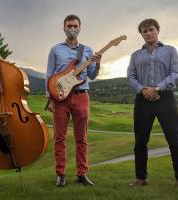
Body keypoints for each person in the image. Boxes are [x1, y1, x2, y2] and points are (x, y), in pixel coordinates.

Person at [127, 18, 178, 190]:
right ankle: (141, 178)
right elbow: (131, 77)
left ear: (157, 30)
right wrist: (143, 90)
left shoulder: (170, 51)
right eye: (144, 31)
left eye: (151, 30)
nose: (148, 33)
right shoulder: (135, 56)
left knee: (175, 139)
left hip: (166, 98)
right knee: (140, 141)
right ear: (141, 34)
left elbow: (176, 73)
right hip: (142, 100)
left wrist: (158, 88)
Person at [46, 14, 102, 187]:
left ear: (80, 28)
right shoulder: (55, 49)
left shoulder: (87, 50)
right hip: (60, 98)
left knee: (82, 138)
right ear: (64, 28)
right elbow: (50, 75)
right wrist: (50, 98)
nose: (72, 28)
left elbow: (91, 75)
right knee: (59, 138)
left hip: (81, 95)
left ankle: (82, 173)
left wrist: (98, 64)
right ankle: (61, 174)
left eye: (75, 26)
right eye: (69, 25)